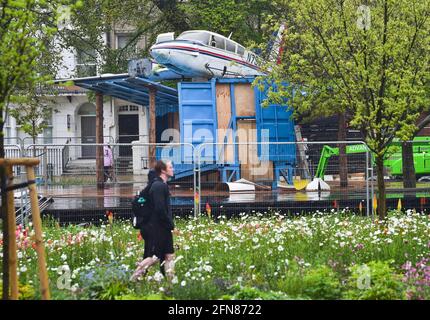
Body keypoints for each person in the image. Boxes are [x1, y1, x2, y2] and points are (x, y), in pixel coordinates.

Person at [132, 160, 176, 282]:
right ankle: (134, 279)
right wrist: (170, 223)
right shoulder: (158, 186)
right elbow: (160, 209)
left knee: (169, 255)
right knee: (154, 257)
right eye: (170, 167)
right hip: (157, 228)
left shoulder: (161, 185)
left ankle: (171, 283)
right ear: (163, 170)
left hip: (163, 227)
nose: (173, 169)